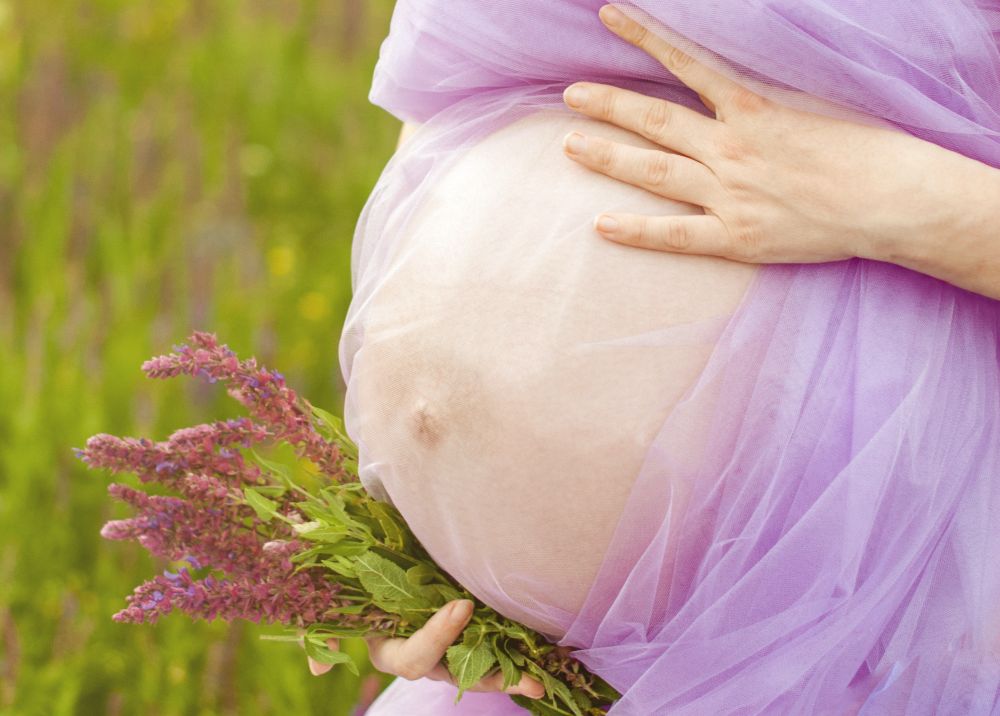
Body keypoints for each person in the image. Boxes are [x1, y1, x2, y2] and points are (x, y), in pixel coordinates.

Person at [312, 2, 1000, 713]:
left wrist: (882, 197)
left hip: (853, 636)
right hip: (522, 663)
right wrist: (410, 531)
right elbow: (442, 110)